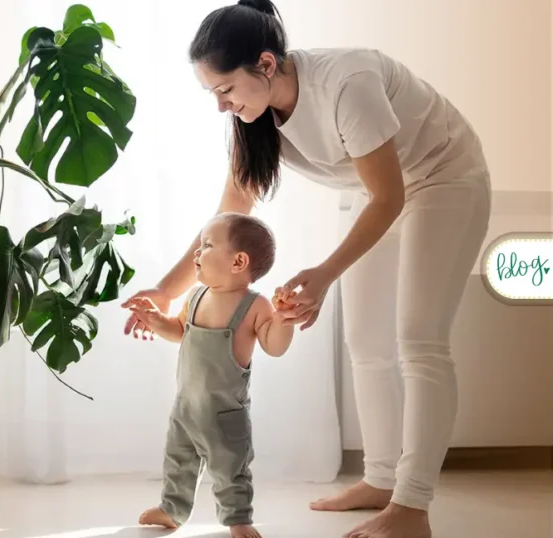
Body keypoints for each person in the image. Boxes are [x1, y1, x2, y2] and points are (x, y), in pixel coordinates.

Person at [122, 1, 492, 537]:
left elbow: (390, 198)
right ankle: (382, 479)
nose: (220, 105)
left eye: (225, 90)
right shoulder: (255, 118)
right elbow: (230, 214)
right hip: (372, 194)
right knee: (365, 341)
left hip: (443, 178)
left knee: (420, 340)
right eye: (213, 94)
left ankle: (412, 506)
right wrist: (167, 290)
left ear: (267, 64)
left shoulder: (348, 83)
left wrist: (323, 272)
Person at [125, 213, 295, 538]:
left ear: (238, 261)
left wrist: (284, 321)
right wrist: (155, 319)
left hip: (225, 414)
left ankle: (238, 519)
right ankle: (172, 509)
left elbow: (274, 347)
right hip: (186, 406)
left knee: (230, 469)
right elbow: (180, 331)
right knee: (178, 461)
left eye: (207, 245)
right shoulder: (196, 295)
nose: (197, 253)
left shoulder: (255, 306)